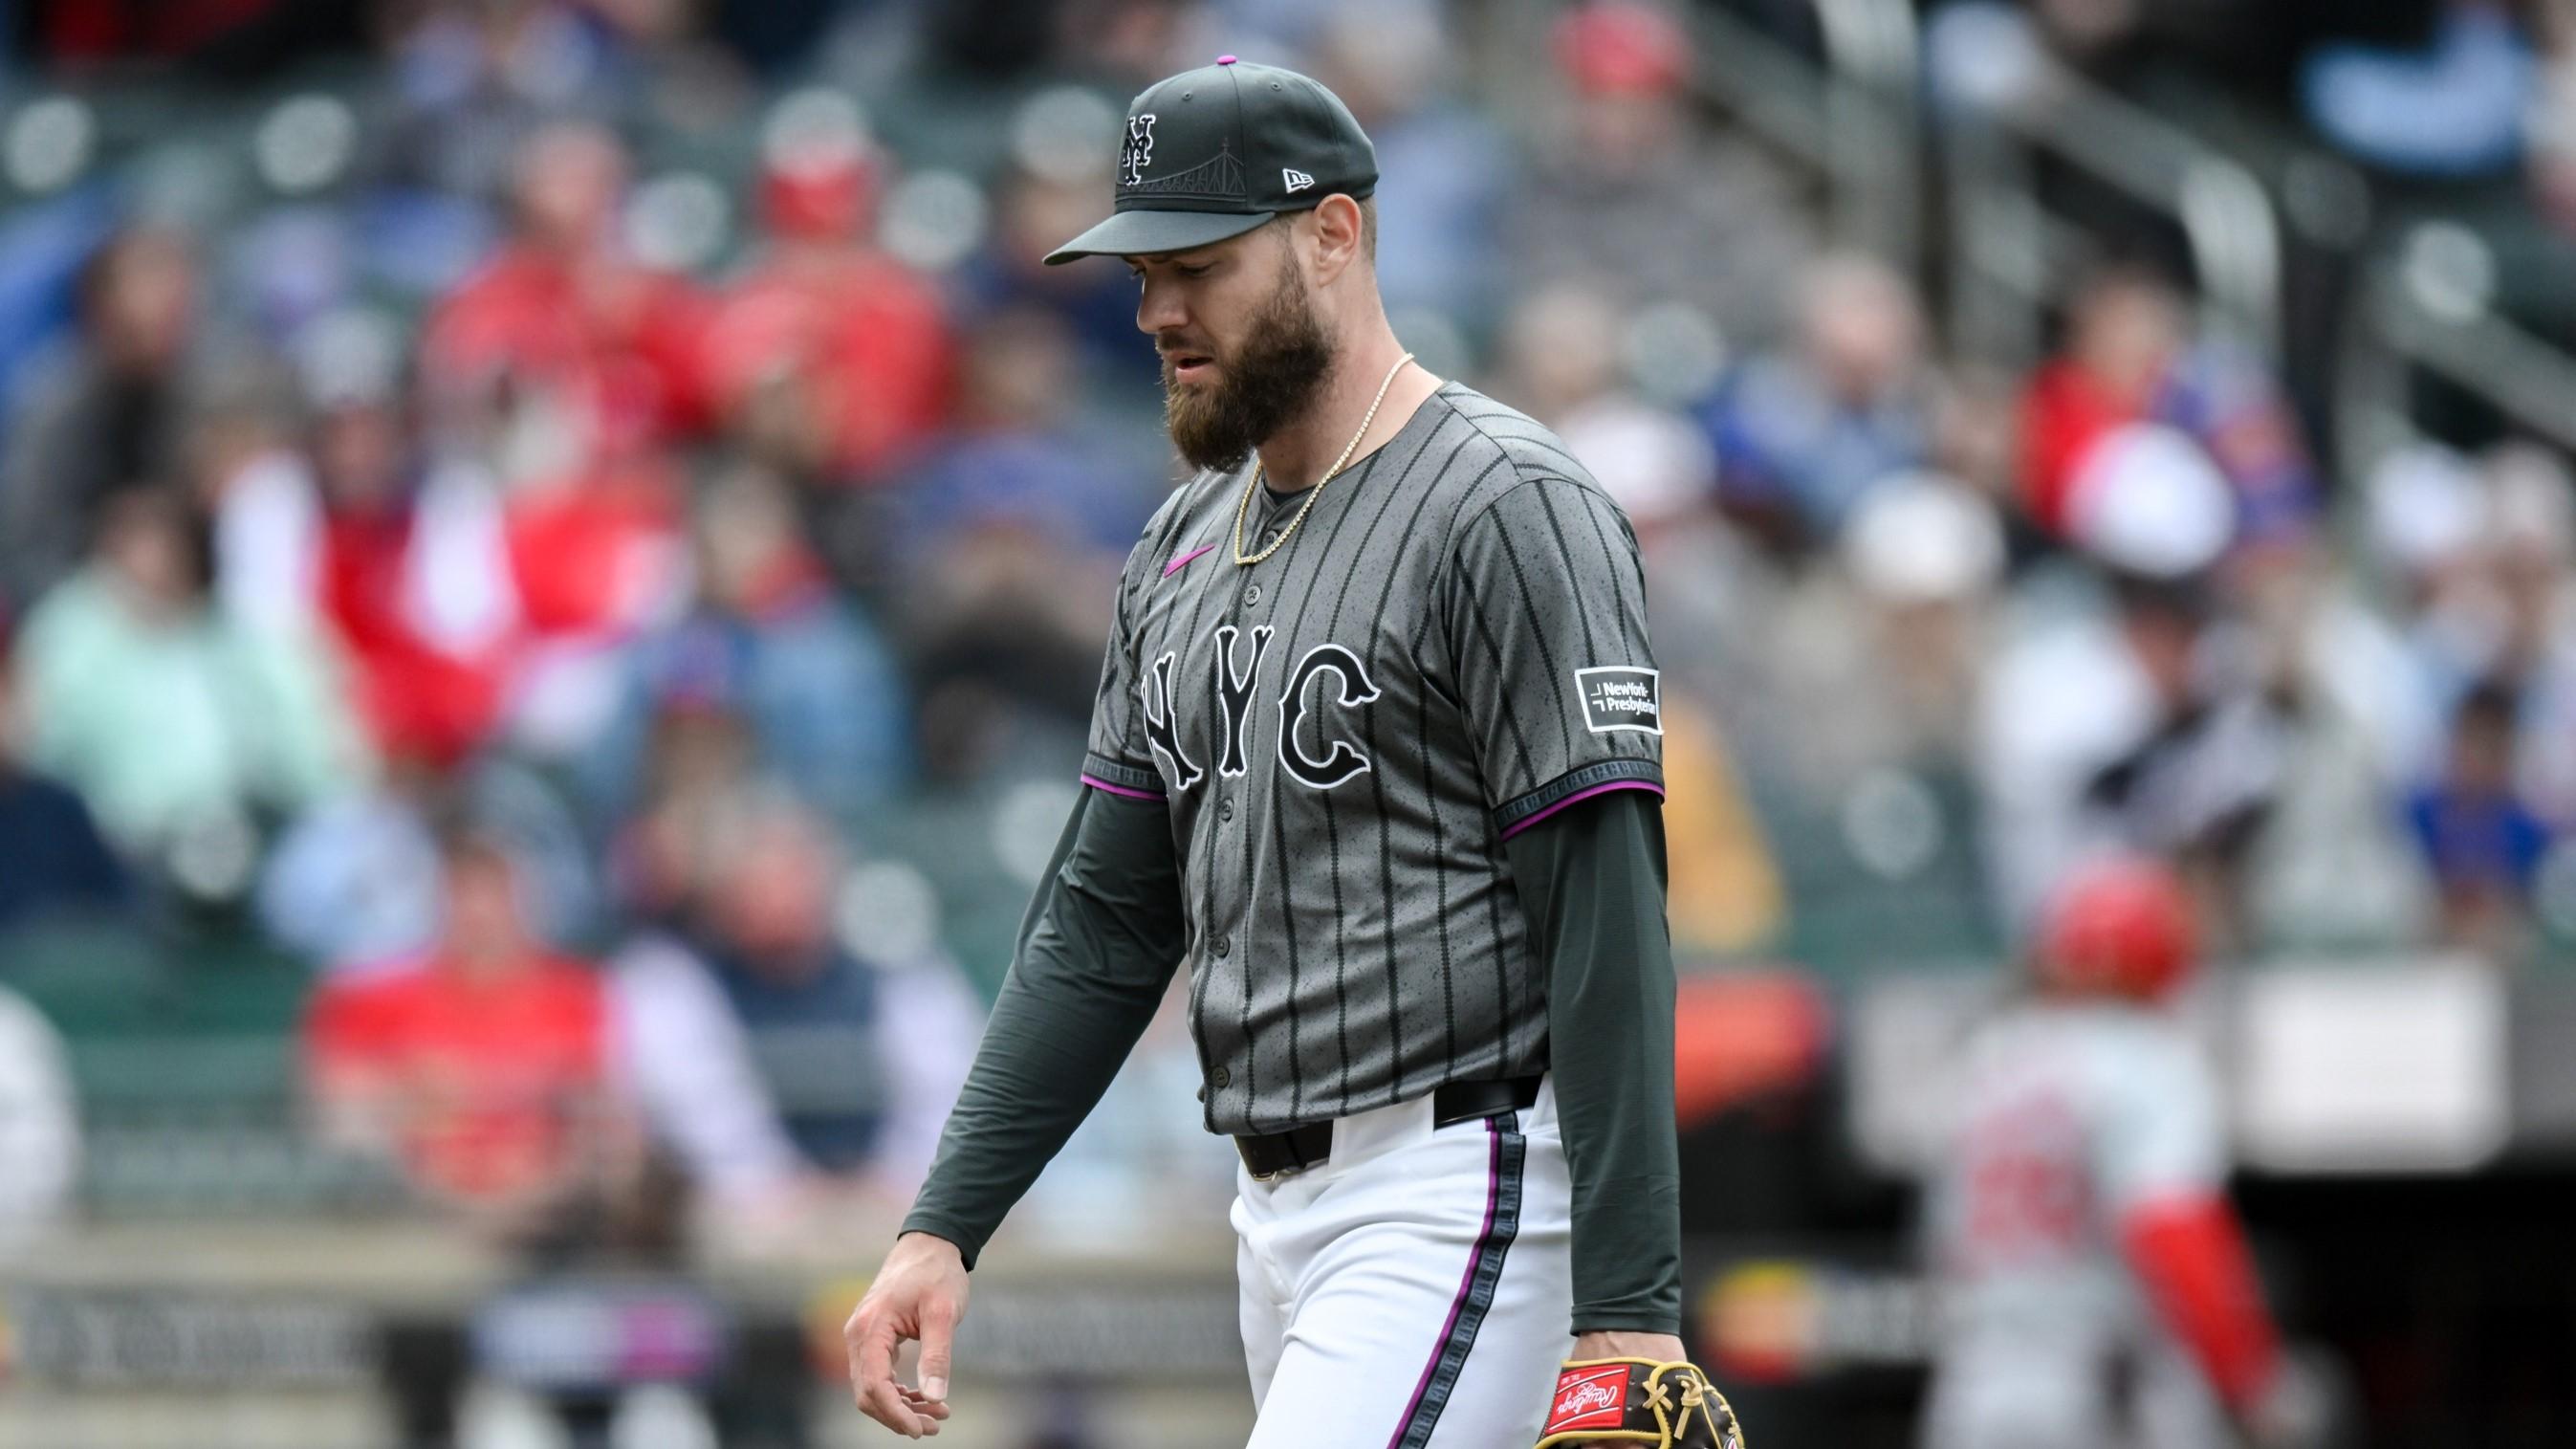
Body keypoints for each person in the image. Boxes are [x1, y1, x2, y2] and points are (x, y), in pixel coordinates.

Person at [839, 56, 1734, 1448]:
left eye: (1195, 262)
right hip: (1269, 1207)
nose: (1155, 311)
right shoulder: (1178, 544)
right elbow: (1101, 924)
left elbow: (1604, 907)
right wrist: (942, 1221)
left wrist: (1630, 1305)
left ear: (1333, 232)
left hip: (1462, 1179)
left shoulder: (1506, 503)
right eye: (1139, 272)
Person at [1920, 858, 2312, 1449]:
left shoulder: (1991, 1064)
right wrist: (2249, 1386)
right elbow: (2176, 1235)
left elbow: (1940, 1245)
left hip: (1975, 1391)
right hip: (2101, 1392)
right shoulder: (2145, 1061)